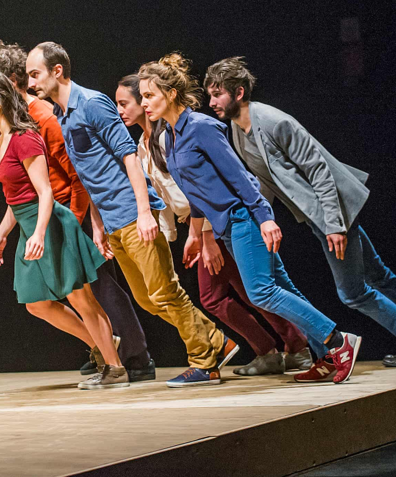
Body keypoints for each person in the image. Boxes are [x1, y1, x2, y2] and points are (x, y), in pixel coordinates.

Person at [138, 53, 363, 384]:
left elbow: (240, 177)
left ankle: (339, 341)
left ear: (171, 94)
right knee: (282, 288)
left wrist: (264, 217)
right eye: (142, 96)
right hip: (227, 227)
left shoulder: (201, 128)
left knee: (261, 292)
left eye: (149, 95)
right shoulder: (170, 136)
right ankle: (327, 356)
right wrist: (195, 235)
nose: (144, 103)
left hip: (243, 218)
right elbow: (197, 194)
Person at [204, 56, 396, 369]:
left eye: (217, 94)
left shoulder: (274, 121)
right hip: (321, 216)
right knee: (378, 275)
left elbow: (318, 170)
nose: (212, 103)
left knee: (353, 293)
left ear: (238, 93)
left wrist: (334, 225)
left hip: (334, 212)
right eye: (210, 95)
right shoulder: (238, 130)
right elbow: (266, 182)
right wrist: (263, 219)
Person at [26, 42, 237, 387]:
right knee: (146, 299)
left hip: (132, 213)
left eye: (36, 74)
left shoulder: (92, 103)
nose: (31, 83)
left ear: (57, 71)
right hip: (112, 221)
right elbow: (88, 176)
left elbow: (129, 157)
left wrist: (144, 212)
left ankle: (204, 359)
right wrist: (98, 226)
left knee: (165, 293)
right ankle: (216, 340)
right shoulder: (63, 116)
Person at [0, 42, 155, 382]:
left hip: (65, 212)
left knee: (96, 292)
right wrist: (4, 233)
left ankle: (131, 358)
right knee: (49, 299)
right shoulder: (9, 131)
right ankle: (107, 351)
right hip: (39, 217)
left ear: (7, 85)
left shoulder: (42, 117)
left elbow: (76, 172)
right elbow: (18, 192)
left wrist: (76, 221)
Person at [115, 75, 312, 375]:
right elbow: (167, 195)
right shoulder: (145, 143)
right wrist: (179, 235)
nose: (123, 109)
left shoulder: (173, 135)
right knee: (236, 293)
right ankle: (280, 348)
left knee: (241, 292)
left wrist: (206, 236)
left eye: (128, 102)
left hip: (217, 221)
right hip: (199, 222)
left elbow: (209, 184)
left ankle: (295, 345)